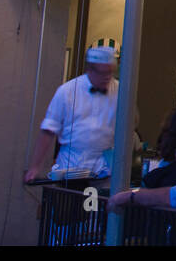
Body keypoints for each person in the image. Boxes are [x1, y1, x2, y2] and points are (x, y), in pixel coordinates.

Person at [24, 45, 118, 184]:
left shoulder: (120, 90)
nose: (107, 78)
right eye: (102, 73)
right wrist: (35, 167)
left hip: (105, 167)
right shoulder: (67, 91)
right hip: (71, 166)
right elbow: (49, 130)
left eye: (110, 73)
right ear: (89, 70)